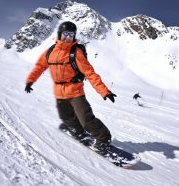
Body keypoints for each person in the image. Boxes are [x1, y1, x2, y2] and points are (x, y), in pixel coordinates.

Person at [25, 21, 116, 151]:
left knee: (86, 120)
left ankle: (103, 138)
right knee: (66, 118)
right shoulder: (50, 51)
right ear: (59, 34)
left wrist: (104, 91)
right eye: (66, 34)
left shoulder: (76, 52)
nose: (68, 37)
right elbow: (40, 67)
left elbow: (90, 73)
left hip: (75, 92)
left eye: (71, 35)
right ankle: (80, 133)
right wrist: (30, 81)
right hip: (59, 92)